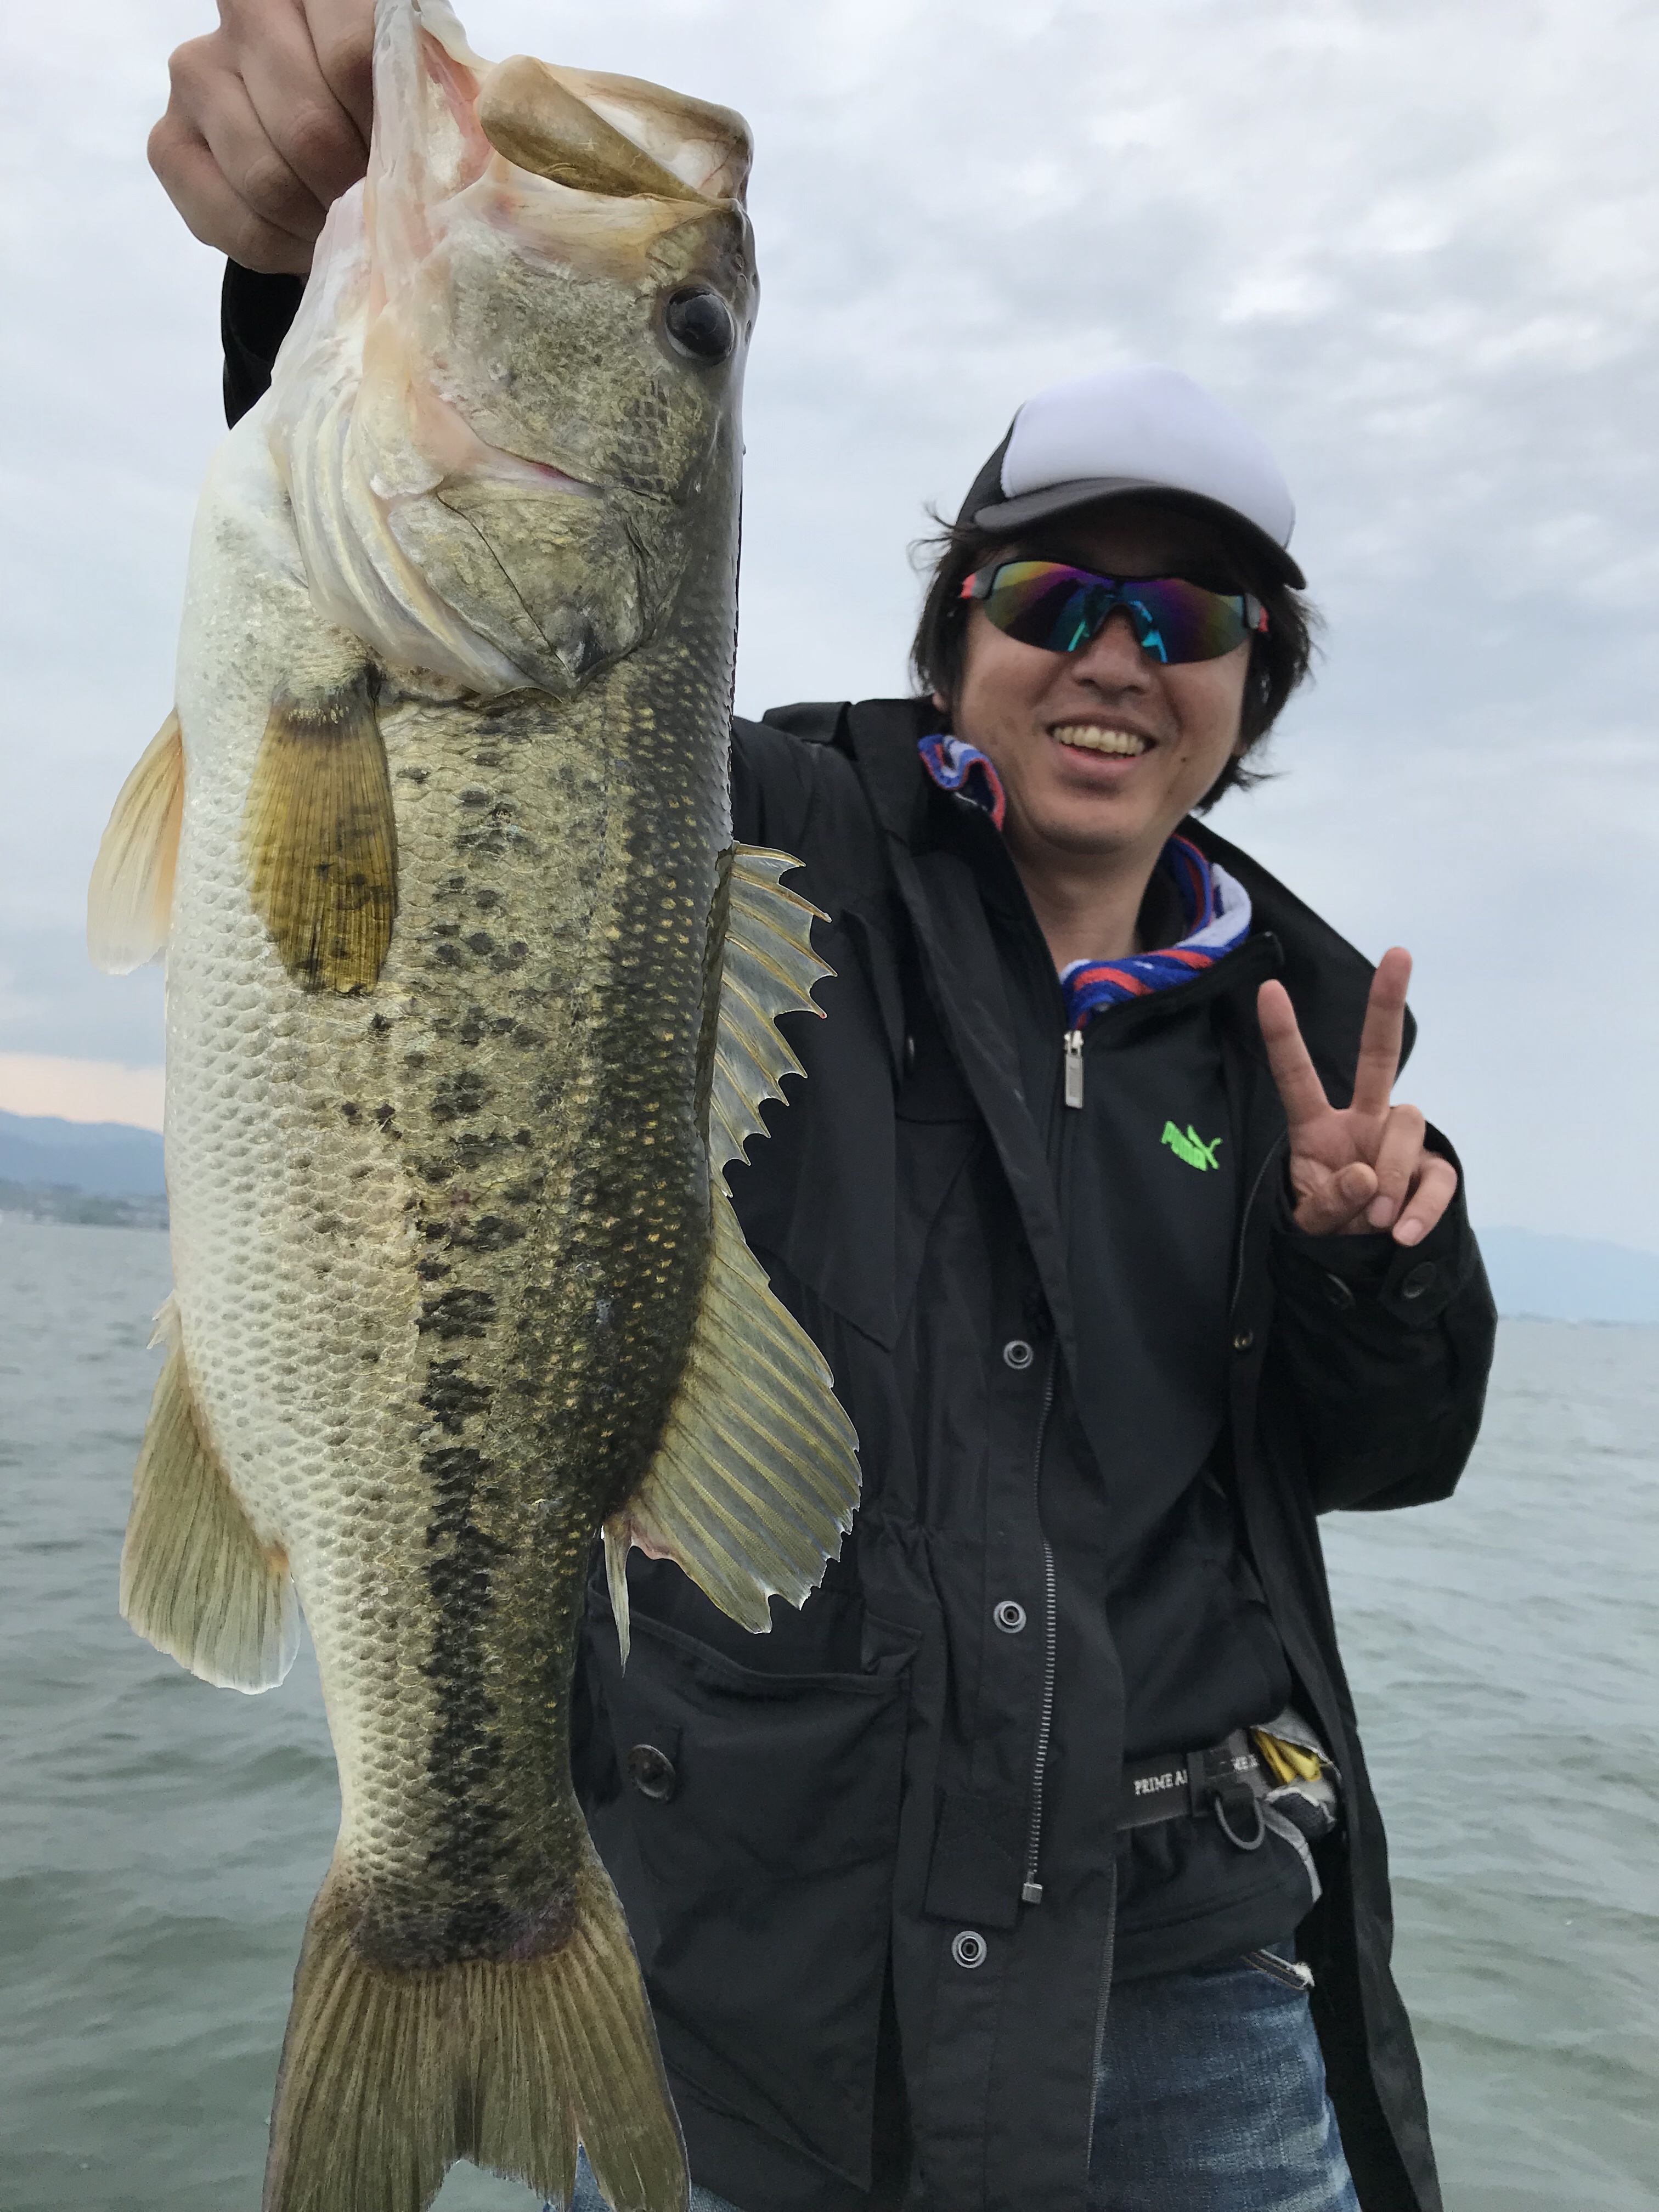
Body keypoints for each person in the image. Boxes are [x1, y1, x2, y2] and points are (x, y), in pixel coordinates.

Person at [150, 14, 1498, 2211]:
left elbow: (1382, 1458)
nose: (1117, 656)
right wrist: (300, 271)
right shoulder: (759, 825)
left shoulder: (1309, 1043)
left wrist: (1372, 1271)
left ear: (1253, 684)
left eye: (1190, 616)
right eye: (1054, 596)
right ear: (959, 628)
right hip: (777, 1965)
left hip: (1189, 1972)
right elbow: (469, 716)